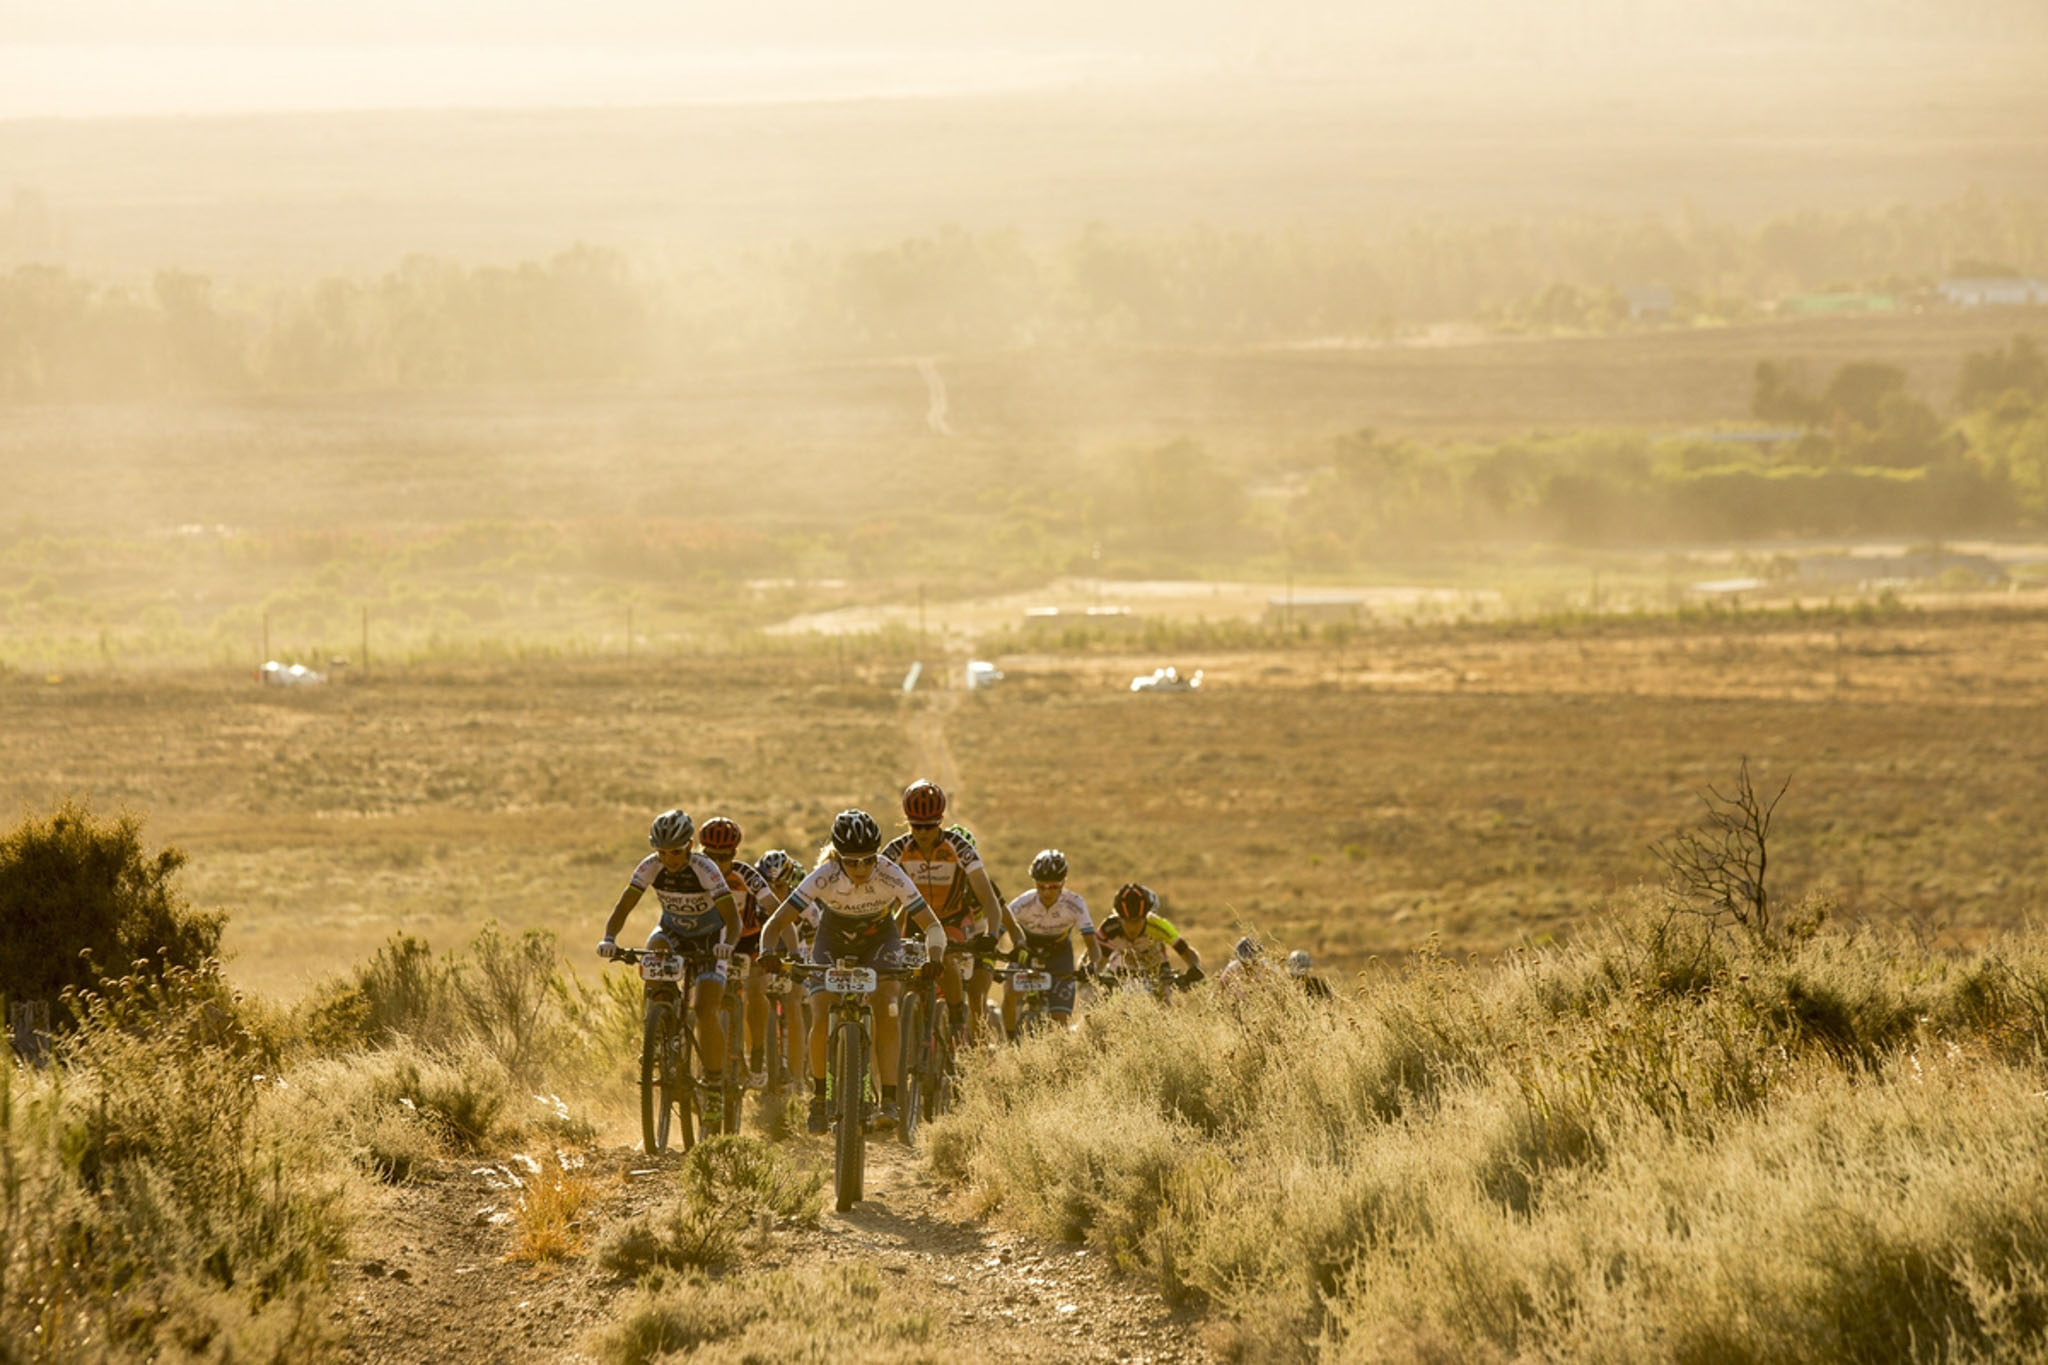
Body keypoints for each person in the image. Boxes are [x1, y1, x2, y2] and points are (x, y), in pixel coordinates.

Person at [758, 809, 948, 1135]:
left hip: (879, 939)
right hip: (832, 938)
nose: (861, 868)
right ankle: (820, 1097)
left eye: (868, 860)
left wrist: (934, 956)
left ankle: (889, 1098)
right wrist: (767, 952)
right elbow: (775, 924)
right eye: (851, 861)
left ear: (877, 856)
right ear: (837, 858)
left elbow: (932, 925)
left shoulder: (890, 873)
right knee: (820, 1010)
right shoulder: (824, 874)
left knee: (887, 1004)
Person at [597, 809, 743, 1125]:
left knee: (706, 1009)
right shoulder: (650, 866)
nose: (669, 859)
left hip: (709, 939)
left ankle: (715, 1086)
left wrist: (727, 946)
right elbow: (624, 904)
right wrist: (610, 936)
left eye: (675, 852)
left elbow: (733, 920)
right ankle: (659, 1026)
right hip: (673, 934)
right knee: (654, 950)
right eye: (662, 852)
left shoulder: (705, 868)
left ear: (689, 845)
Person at [879, 781, 1003, 1044]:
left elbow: (990, 900)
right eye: (916, 826)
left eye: (930, 825)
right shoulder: (896, 849)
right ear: (907, 821)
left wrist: (991, 935)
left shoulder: (960, 848)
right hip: (916, 921)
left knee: (946, 957)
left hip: (951, 920)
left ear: (941, 821)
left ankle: (957, 1018)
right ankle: (911, 1047)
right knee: (901, 976)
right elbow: (877, 895)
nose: (922, 832)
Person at [695, 817, 781, 1089]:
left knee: (756, 992)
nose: (719, 863)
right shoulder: (694, 873)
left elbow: (775, 908)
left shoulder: (746, 875)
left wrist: (781, 944)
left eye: (725, 856)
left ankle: (757, 1055)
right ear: (701, 852)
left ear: (735, 853)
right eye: (711, 856)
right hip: (709, 938)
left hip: (746, 940)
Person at [1000, 848, 1104, 1037]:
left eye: (1054, 887)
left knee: (1059, 1021)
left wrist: (1092, 965)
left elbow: (1092, 944)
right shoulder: (1023, 902)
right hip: (1027, 950)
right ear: (1034, 883)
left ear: (1064, 882)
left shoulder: (1075, 904)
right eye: (1041, 886)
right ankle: (1010, 1039)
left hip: (1059, 954)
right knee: (1010, 991)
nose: (1047, 892)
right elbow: (998, 931)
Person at [1099, 883, 1203, 994]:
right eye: (1127, 921)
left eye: (1137, 921)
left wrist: (1194, 967)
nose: (1132, 927)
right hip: (1120, 971)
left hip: (1157, 971)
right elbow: (1098, 961)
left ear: (1146, 917)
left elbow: (1186, 951)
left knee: (1165, 996)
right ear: (1119, 918)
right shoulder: (1109, 928)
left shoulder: (1159, 925)